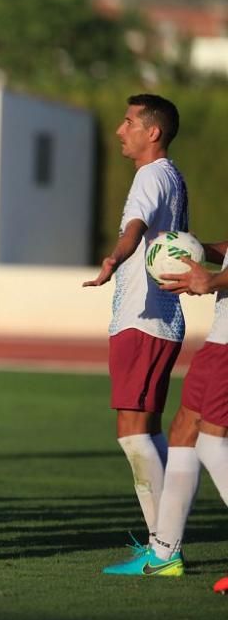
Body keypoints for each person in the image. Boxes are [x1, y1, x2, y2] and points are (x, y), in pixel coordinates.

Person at [84, 94, 187, 549]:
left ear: (153, 132)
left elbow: (135, 228)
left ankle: (164, 545)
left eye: (128, 122)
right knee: (147, 432)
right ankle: (166, 540)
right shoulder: (171, 176)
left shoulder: (150, 174)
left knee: (132, 436)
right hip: (156, 320)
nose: (119, 130)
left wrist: (114, 258)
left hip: (143, 319)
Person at [103, 237, 227, 577]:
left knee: (213, 444)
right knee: (183, 432)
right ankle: (164, 554)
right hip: (220, 335)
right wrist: (197, 249)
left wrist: (213, 280)